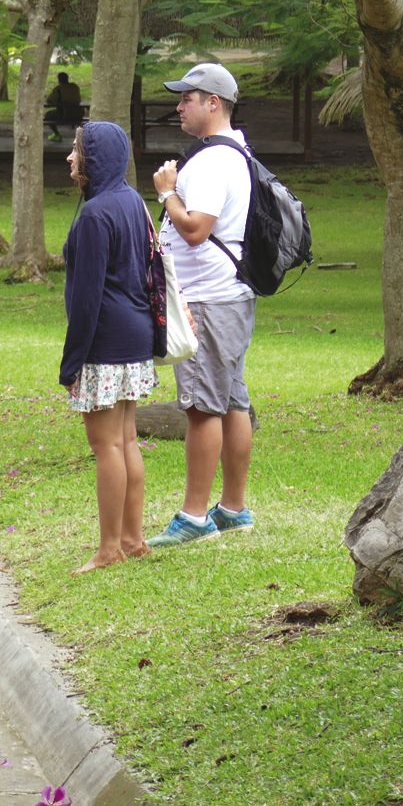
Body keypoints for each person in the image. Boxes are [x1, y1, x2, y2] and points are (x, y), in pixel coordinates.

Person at [147, 62, 257, 547]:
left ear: (213, 103)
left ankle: (194, 518)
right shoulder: (236, 151)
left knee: (202, 408)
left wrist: (168, 193)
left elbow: (195, 229)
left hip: (208, 300)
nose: (179, 106)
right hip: (229, 296)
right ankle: (233, 508)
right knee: (232, 401)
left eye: (187, 98)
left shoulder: (213, 161)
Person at [59, 122, 155, 574]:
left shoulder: (96, 214)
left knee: (107, 447)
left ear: (95, 159)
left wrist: (72, 361)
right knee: (126, 439)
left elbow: (87, 297)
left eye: (76, 152)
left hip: (107, 339)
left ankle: (109, 548)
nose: (70, 159)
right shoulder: (133, 200)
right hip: (135, 334)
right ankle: (133, 539)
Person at [44, 71, 84, 142]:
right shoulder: (75, 87)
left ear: (59, 79)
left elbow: (49, 100)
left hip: (65, 114)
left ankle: (57, 134)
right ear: (67, 78)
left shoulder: (58, 89)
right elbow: (79, 99)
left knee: (47, 116)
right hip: (78, 113)